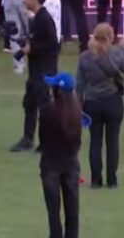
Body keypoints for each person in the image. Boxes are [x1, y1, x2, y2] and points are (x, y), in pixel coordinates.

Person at [77, 23, 124, 187]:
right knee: (112, 141)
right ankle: (112, 180)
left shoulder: (85, 56)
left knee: (95, 141)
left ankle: (96, 180)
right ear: (111, 36)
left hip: (92, 102)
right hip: (112, 100)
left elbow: (80, 84)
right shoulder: (116, 53)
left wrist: (78, 105)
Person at [10, 0, 60, 153]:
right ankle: (28, 139)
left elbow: (53, 45)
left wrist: (32, 49)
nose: (24, 0)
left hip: (44, 71)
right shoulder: (36, 19)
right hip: (35, 70)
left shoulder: (44, 19)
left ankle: (47, 142)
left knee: (44, 107)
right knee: (30, 104)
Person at [38, 72, 82, 238]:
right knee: (72, 210)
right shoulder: (77, 112)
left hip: (50, 165)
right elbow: (77, 141)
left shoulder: (47, 111)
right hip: (71, 164)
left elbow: (42, 139)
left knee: (53, 213)